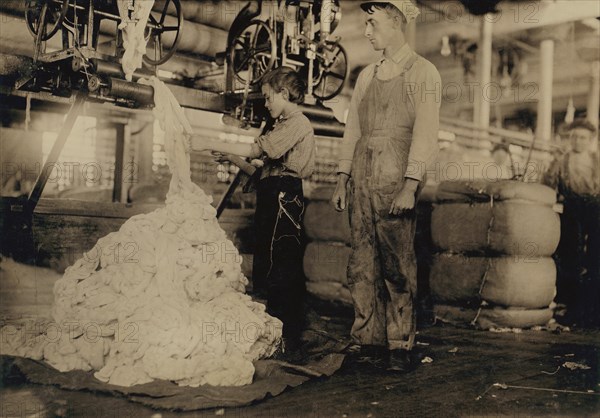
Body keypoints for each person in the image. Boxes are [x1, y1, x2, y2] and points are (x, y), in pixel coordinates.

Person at [331, 0, 441, 371]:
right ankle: (367, 340)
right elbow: (353, 131)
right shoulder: (365, 76)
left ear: (395, 23)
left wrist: (410, 185)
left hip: (395, 177)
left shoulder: (423, 72)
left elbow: (426, 133)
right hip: (362, 176)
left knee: (396, 264)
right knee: (361, 261)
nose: (366, 31)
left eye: (372, 23)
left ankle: (399, 344)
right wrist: (342, 176)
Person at [194, 66, 316, 349]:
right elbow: (260, 172)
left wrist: (207, 142)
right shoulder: (282, 126)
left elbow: (262, 151)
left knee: (281, 262)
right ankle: (277, 327)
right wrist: (230, 157)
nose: (266, 103)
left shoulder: (297, 123)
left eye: (268, 97)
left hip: (285, 197)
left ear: (284, 94)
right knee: (269, 261)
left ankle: (288, 333)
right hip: (272, 193)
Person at [543, 119, 600, 327]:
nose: (578, 141)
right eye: (574, 137)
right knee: (570, 259)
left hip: (596, 209)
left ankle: (593, 310)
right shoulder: (561, 161)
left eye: (583, 137)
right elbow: (548, 186)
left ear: (591, 140)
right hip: (571, 210)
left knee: (595, 260)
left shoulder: (596, 161)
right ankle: (569, 307)